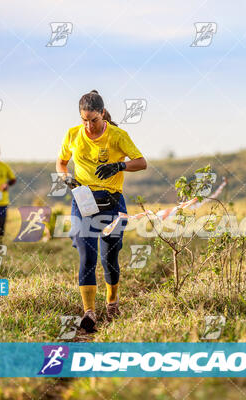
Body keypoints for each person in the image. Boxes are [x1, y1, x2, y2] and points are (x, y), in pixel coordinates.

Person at [56, 90, 147, 332]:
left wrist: (119, 165)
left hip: (112, 203)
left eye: (94, 120)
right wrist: (66, 178)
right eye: (84, 120)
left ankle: (112, 302)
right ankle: (89, 313)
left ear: (103, 114)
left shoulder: (118, 136)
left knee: (109, 258)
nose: (89, 126)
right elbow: (61, 161)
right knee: (87, 255)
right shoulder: (73, 135)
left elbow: (141, 162)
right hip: (83, 200)